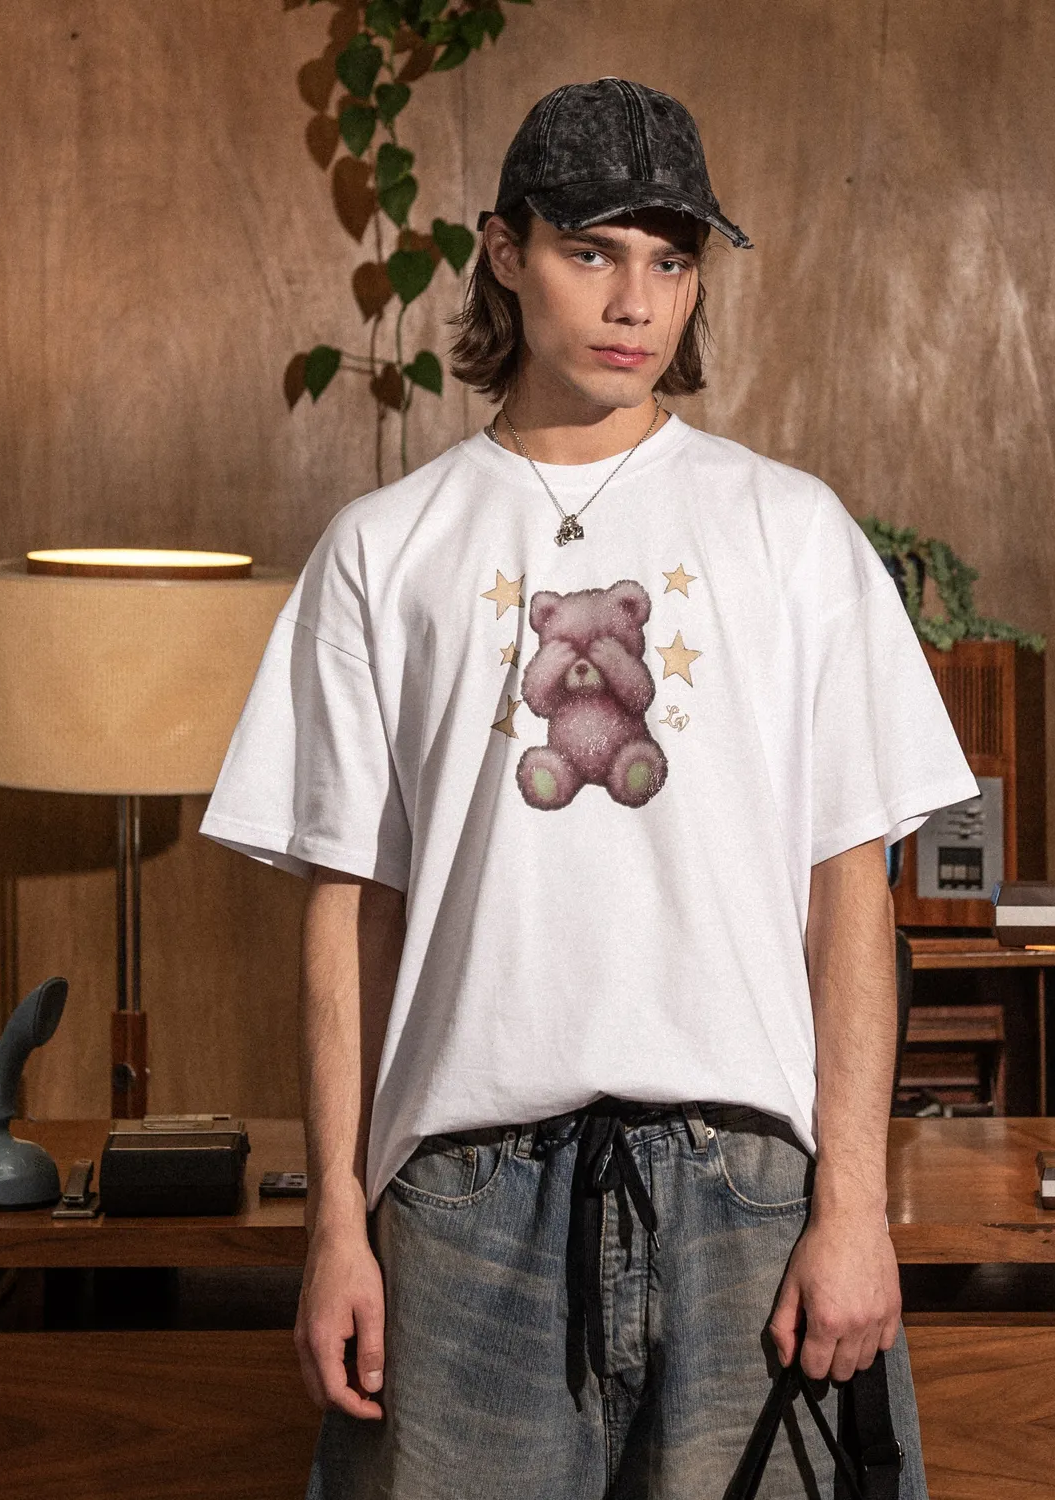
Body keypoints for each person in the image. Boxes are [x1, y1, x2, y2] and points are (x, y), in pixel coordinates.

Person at [201, 77, 977, 1499]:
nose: (636, 303)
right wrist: (336, 1225)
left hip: (748, 1192)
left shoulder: (793, 532)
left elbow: (849, 896)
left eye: (672, 262)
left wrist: (856, 1206)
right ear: (504, 252)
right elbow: (351, 911)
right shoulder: (382, 548)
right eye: (592, 252)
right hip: (461, 1203)